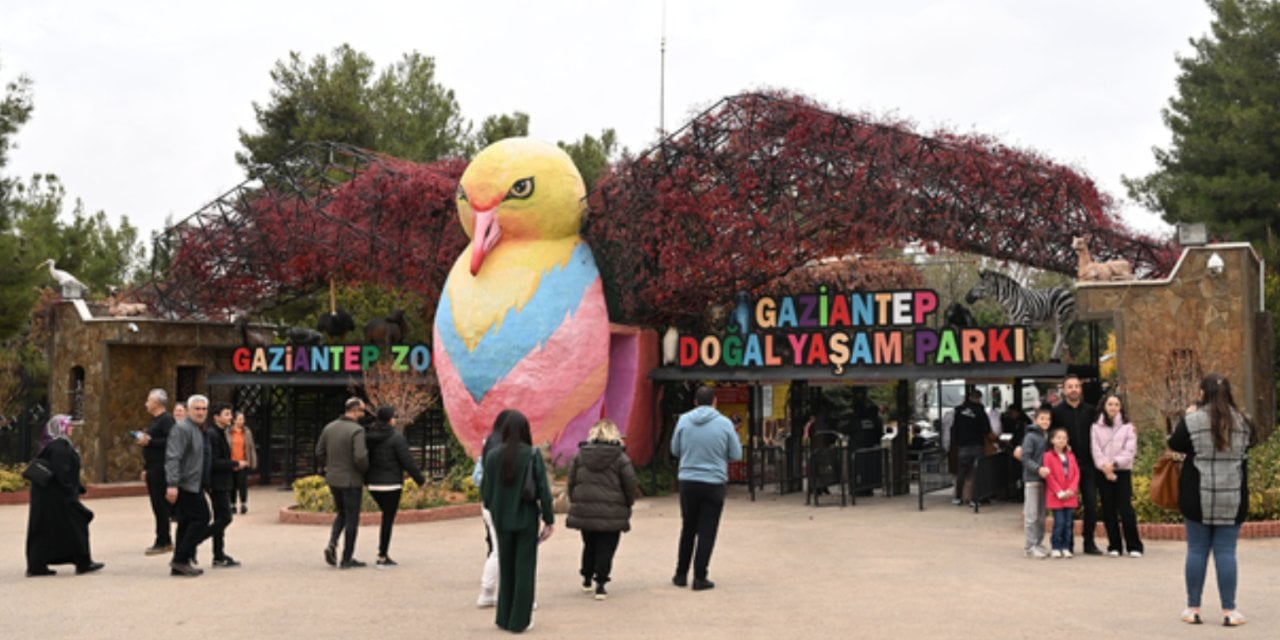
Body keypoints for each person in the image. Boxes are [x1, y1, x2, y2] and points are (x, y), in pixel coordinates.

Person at [1168, 374, 1255, 627]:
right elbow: (1251, 445)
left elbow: (1175, 443)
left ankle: (1192, 608)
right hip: (1233, 494)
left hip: (1198, 495)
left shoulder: (1192, 420)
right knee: (1226, 552)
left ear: (1202, 393)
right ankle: (1229, 611)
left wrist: (1189, 414)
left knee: (1196, 550)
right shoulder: (1245, 422)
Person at [480, 409, 555, 633]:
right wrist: (549, 519)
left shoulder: (493, 456)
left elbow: (486, 491)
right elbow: (543, 489)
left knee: (507, 566)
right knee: (524, 569)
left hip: (501, 518)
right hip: (525, 518)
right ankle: (520, 620)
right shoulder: (532, 454)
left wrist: (496, 510)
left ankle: (503, 617)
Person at [670, 385, 743, 591]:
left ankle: (680, 574)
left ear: (695, 402)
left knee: (688, 528)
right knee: (707, 530)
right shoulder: (724, 424)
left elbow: (675, 449)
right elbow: (736, 454)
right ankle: (700, 576)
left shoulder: (683, 421)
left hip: (688, 480)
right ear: (715, 401)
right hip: (713, 482)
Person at [566, 419, 639, 601]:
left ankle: (587, 578)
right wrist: (628, 503)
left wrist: (576, 500)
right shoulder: (621, 458)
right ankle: (601, 584)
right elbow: (630, 485)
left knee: (589, 543)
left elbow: (571, 482)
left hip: (586, 509)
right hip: (612, 511)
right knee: (607, 546)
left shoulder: (580, 456)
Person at [25, 415, 104, 577]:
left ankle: (37, 565)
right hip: (57, 497)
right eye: (68, 425)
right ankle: (83, 562)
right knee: (78, 523)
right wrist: (72, 492)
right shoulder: (59, 447)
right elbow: (63, 473)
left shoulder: (52, 445)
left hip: (48, 496)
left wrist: (78, 487)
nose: (72, 428)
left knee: (44, 528)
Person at [364, 405, 426, 567]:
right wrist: (420, 480)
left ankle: (381, 555)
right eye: (394, 416)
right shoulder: (396, 438)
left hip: (373, 484)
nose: (395, 419)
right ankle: (382, 556)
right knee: (387, 519)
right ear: (390, 419)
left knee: (386, 516)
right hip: (391, 484)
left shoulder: (368, 436)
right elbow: (407, 461)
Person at [316, 397, 370, 569]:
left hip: (333, 478)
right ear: (355, 410)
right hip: (351, 480)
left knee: (341, 513)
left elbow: (319, 451)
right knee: (352, 519)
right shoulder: (357, 430)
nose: (363, 414)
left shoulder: (329, 428)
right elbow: (360, 456)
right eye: (362, 410)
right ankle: (347, 558)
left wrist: (330, 465)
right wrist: (364, 470)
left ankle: (332, 543)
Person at [1051, 374, 1100, 554]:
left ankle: (1089, 543)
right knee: (1067, 505)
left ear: (1081, 389)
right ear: (1064, 390)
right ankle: (1067, 544)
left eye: (1076, 386)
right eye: (1070, 386)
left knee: (1091, 504)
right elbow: (1048, 434)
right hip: (1066, 466)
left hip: (1088, 464)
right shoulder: (1056, 412)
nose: (1074, 389)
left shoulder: (1091, 411)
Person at [1090, 394, 1143, 558]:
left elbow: (1129, 451)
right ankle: (1114, 545)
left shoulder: (1128, 427)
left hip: (1122, 471)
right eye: (1110, 404)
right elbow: (1095, 449)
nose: (1113, 407)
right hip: (1103, 472)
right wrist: (1104, 466)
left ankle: (1134, 546)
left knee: (1126, 509)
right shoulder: (1095, 427)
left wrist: (1113, 465)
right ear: (1104, 406)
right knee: (1108, 509)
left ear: (1121, 407)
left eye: (1116, 404)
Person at [165, 395, 210, 577]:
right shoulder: (182, 429)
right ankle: (181, 558)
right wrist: (172, 484)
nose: (200, 412)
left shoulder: (197, 429)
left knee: (185, 522)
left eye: (203, 409)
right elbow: (173, 457)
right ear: (189, 410)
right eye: (196, 408)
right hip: (185, 485)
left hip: (194, 483)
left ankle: (180, 562)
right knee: (202, 517)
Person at [206, 403, 247, 567]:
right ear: (216, 417)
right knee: (225, 518)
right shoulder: (213, 434)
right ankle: (197, 539)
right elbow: (214, 462)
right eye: (227, 414)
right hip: (217, 483)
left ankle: (218, 554)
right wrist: (235, 463)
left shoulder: (220, 433)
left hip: (222, 481)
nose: (230, 417)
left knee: (221, 518)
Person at [137, 388, 175, 555]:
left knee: (160, 506)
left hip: (161, 469)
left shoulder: (166, 420)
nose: (146, 403)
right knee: (157, 505)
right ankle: (164, 539)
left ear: (156, 403)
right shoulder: (155, 420)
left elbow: (171, 442)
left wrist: (150, 442)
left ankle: (163, 541)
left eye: (148, 400)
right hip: (152, 467)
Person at [473, 414, 506, 608]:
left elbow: (478, 479)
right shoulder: (522, 452)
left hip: (490, 505)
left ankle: (487, 591)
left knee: (496, 550)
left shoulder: (487, 451)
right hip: (505, 506)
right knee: (514, 552)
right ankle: (518, 595)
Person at [1019, 408, 1051, 559]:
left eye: (1048, 419)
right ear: (1035, 420)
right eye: (1042, 418)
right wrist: (1038, 469)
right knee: (1031, 515)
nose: (1045, 422)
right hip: (1032, 480)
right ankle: (1030, 546)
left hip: (1045, 480)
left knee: (1041, 515)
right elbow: (1025, 458)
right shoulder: (1030, 437)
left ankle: (1038, 543)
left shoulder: (1047, 436)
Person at [1042, 427, 1079, 558]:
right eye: (1058, 437)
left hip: (1070, 495)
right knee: (1059, 523)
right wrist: (1059, 491)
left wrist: (1071, 489)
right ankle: (1056, 546)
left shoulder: (1071, 455)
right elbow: (1049, 476)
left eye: (1064, 438)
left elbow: (1076, 474)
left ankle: (1066, 546)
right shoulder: (1048, 456)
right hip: (1056, 496)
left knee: (1068, 523)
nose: (1061, 440)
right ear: (1052, 440)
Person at [949, 388, 990, 506]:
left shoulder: (959, 410)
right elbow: (986, 429)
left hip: (963, 446)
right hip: (977, 445)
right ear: (978, 398)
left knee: (961, 472)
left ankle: (958, 497)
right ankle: (974, 499)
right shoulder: (980, 410)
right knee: (976, 472)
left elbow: (954, 428)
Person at [227, 411, 257, 514]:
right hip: (231, 462)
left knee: (242, 484)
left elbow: (251, 447)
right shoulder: (228, 432)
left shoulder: (247, 432)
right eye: (239, 419)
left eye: (243, 419)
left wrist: (251, 461)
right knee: (231, 485)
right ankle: (233, 504)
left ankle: (244, 503)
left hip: (243, 462)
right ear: (234, 420)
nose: (241, 421)